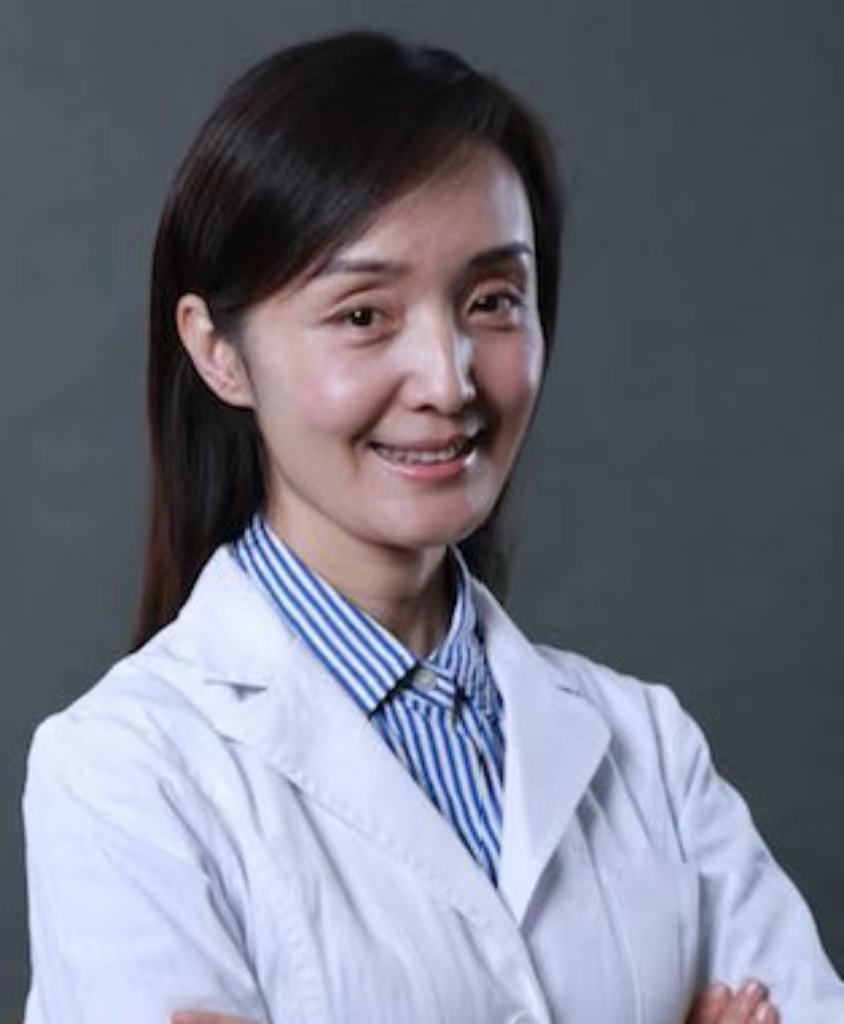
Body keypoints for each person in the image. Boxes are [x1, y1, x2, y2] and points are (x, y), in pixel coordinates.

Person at [21, 30, 844, 1024]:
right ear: (217, 351)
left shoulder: (648, 750)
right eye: (363, 315)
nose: (448, 381)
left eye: (493, 300)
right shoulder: (123, 771)